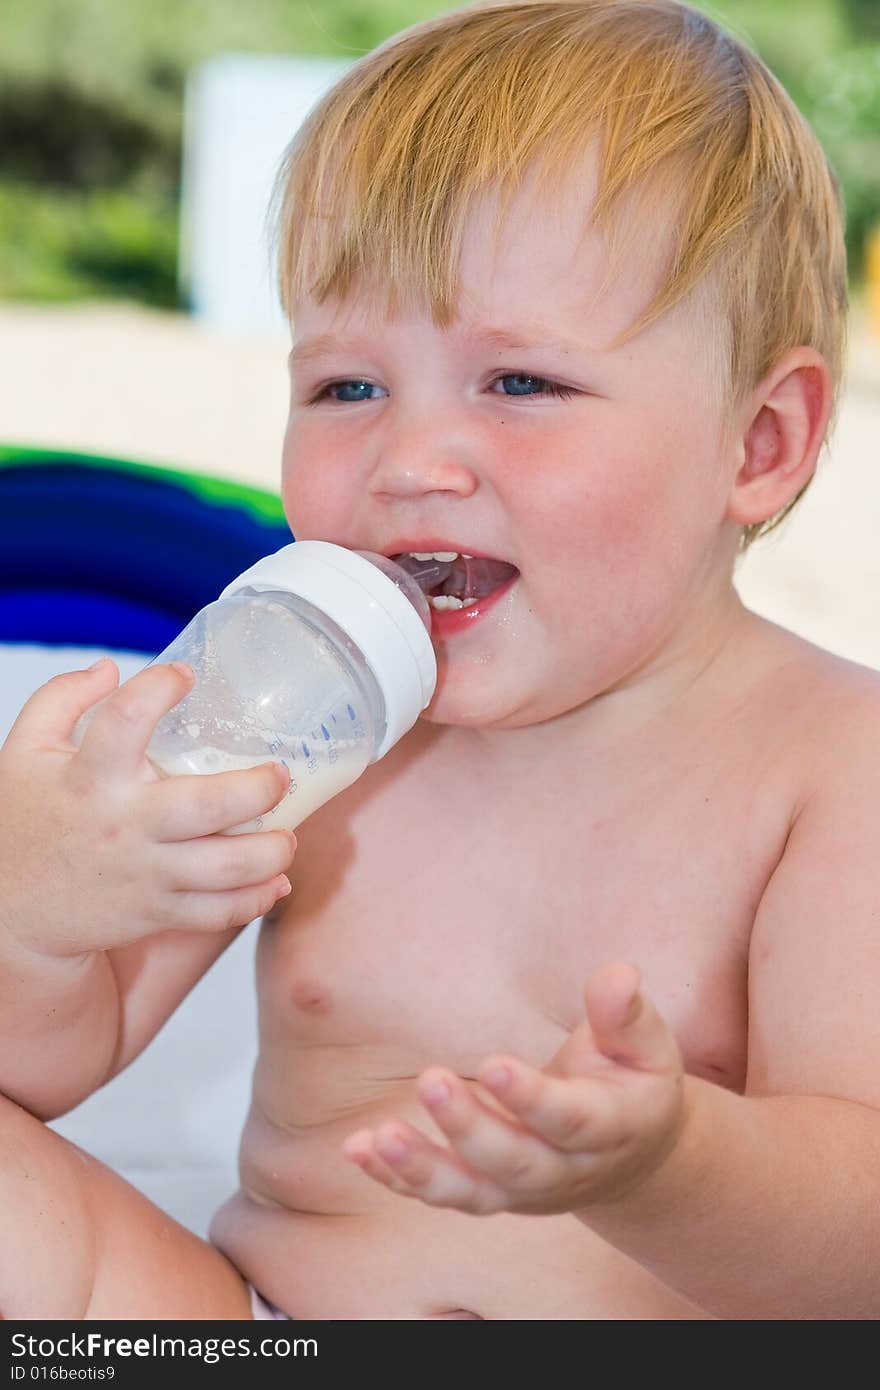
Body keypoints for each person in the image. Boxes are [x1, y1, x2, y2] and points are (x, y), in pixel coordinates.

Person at [1, 0, 875, 1320]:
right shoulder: (308, 722)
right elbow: (49, 1060)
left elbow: (855, 1249)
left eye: (519, 382)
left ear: (756, 446)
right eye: (347, 386)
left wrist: (668, 1165)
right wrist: (44, 902)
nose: (408, 461)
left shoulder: (829, 766)